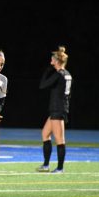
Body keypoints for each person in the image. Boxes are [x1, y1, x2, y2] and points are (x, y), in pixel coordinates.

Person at [37, 46, 72, 174]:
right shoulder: (67, 74)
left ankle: (60, 168)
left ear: (56, 61)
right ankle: (46, 165)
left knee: (60, 140)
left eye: (52, 58)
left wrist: (47, 71)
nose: (51, 60)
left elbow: (43, 85)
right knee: (45, 134)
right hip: (58, 109)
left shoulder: (59, 74)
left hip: (57, 110)